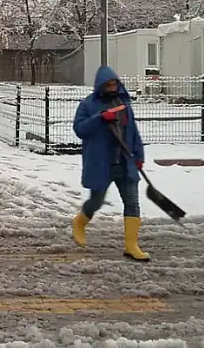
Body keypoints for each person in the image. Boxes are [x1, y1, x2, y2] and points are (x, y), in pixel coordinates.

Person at [71, 65, 150, 262]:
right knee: (96, 201)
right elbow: (80, 129)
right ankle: (79, 222)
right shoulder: (88, 105)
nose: (112, 87)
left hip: (125, 161)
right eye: (108, 85)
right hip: (101, 162)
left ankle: (131, 245)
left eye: (115, 84)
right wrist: (100, 118)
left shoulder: (123, 103)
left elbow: (133, 132)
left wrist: (139, 156)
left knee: (132, 202)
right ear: (100, 85)